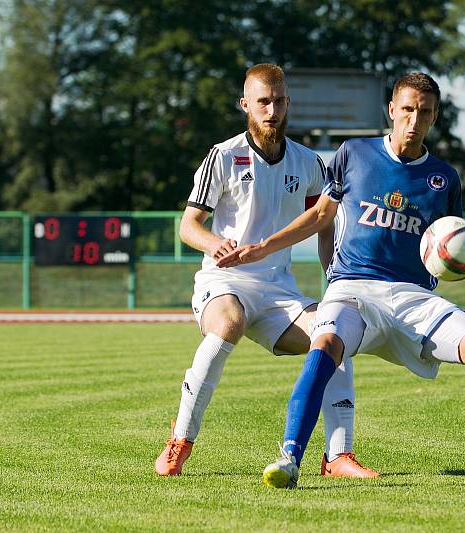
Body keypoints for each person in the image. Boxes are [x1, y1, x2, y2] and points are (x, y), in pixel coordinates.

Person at [218, 72, 465, 488]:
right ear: (391, 110)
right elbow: (320, 216)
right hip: (352, 288)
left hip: (413, 298)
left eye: (424, 112)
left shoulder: (445, 178)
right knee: (324, 345)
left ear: (434, 117)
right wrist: (264, 247)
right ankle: (290, 457)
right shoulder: (353, 153)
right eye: (406, 109)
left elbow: (448, 250)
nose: (413, 120)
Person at [154, 63, 378, 479]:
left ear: (288, 103)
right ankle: (180, 440)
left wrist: (334, 277)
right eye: (262, 102)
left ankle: (338, 456)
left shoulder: (310, 162)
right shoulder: (223, 155)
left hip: (279, 290)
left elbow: (322, 220)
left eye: (278, 101)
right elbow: (188, 226)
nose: (271, 110)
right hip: (223, 282)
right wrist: (213, 243)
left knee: (335, 334)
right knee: (229, 325)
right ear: (245, 105)